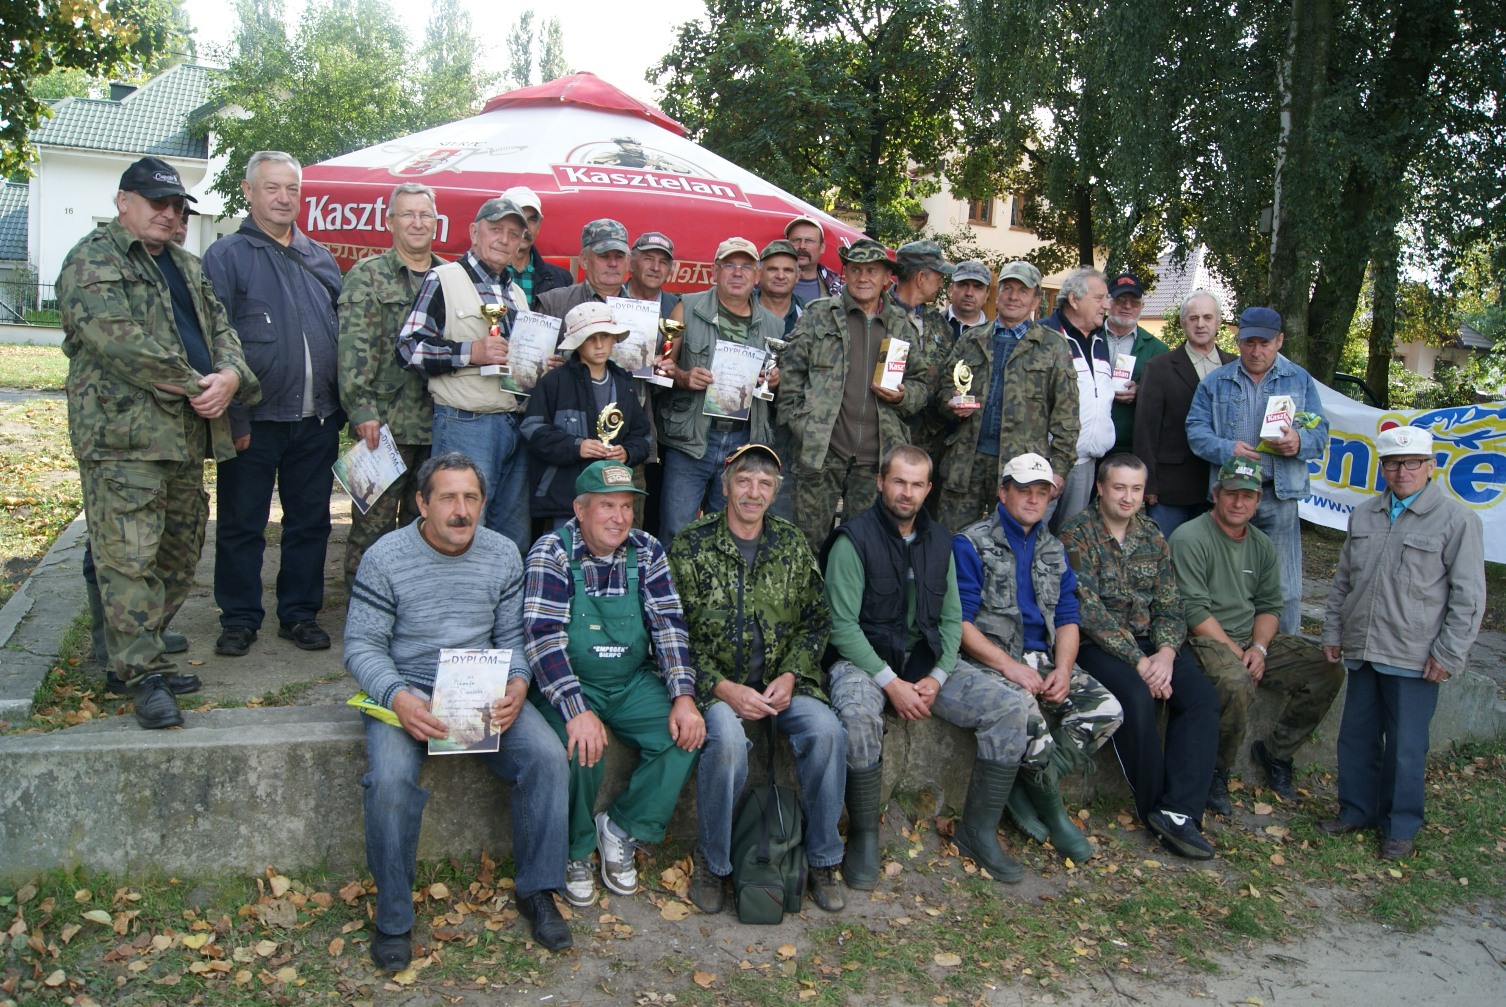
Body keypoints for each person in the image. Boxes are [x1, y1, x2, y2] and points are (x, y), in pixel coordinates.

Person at [344, 453, 572, 966]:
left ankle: (538, 891)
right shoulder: (385, 556)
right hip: (408, 692)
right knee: (388, 781)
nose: (460, 510)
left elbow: (515, 636)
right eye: (447, 497)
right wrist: (398, 697)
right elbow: (361, 646)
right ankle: (394, 919)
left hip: (483, 686)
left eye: (471, 498)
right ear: (422, 502)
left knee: (546, 757)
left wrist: (517, 680)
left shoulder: (502, 554)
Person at [58, 156, 260, 726]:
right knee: (128, 558)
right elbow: (119, 343)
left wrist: (231, 377)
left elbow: (225, 332)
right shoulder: (91, 261)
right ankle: (141, 675)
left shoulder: (187, 267)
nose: (169, 215)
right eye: (157, 204)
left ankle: (141, 653)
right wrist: (205, 383)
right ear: (124, 201)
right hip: (123, 442)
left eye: (177, 207)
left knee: (177, 552)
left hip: (183, 437)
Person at [824, 445, 1035, 886]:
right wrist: (892, 684)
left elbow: (953, 618)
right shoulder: (853, 540)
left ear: (928, 489)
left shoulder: (942, 541)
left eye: (917, 484)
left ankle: (978, 831)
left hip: (926, 662)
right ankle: (863, 836)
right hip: (865, 662)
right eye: (899, 481)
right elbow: (841, 627)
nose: (907, 492)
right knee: (858, 717)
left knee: (1010, 706)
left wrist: (937, 677)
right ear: (881, 482)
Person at [667, 444, 846, 913]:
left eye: (764, 484)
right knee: (725, 741)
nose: (753, 492)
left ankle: (825, 859)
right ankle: (713, 862)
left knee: (827, 732)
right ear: (725, 486)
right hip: (717, 690)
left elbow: (817, 621)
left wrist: (790, 675)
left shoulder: (790, 543)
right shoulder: (690, 544)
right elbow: (669, 632)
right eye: (744, 481)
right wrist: (723, 688)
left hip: (781, 688)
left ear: (775, 492)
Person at [523, 461, 705, 908]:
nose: (619, 518)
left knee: (682, 735)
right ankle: (575, 849)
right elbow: (542, 637)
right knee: (581, 746)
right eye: (607, 506)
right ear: (580, 510)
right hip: (569, 679)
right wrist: (576, 710)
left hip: (629, 681)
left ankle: (621, 827)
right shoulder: (553, 551)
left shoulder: (646, 550)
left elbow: (668, 626)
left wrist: (683, 696)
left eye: (626, 506)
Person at [1318, 427, 1485, 859]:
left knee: (1407, 747)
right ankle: (1356, 810)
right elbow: (1342, 582)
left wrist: (1448, 653)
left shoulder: (1456, 520)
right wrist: (1334, 632)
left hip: (1415, 654)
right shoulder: (1366, 514)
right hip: (1363, 647)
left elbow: (1469, 597)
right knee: (1355, 738)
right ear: (1383, 468)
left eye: (1412, 463)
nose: (1402, 471)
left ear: (1430, 467)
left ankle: (1400, 826)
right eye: (1393, 463)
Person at [952, 452, 1124, 865]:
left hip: (1041, 656)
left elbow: (1067, 616)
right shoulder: (971, 542)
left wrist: (1063, 669)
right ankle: (1056, 812)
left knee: (1107, 709)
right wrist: (1009, 667)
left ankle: (1026, 782)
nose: (1033, 500)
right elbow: (958, 624)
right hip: (990, 659)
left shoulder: (1053, 546)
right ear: (1003, 491)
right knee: (1024, 709)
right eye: (1024, 490)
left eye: (1041, 492)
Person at [203, 151, 342, 657]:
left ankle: (299, 614)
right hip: (255, 421)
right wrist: (233, 415)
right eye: (272, 188)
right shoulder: (227, 256)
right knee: (243, 522)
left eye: (292, 189)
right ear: (248, 191)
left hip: (317, 419)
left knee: (310, 521)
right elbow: (213, 340)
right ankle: (239, 618)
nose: (284, 198)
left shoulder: (318, 256)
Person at [1058, 454, 1220, 859]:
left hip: (1154, 644)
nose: (1127, 497)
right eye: (1119, 487)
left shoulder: (1153, 535)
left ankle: (1180, 812)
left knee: (1202, 699)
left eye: (1135, 489)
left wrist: (1165, 653)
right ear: (1100, 488)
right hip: (1100, 646)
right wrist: (1139, 661)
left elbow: (1170, 602)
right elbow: (1087, 608)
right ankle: (1154, 807)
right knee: (1135, 697)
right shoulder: (1076, 534)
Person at [1169, 458, 1345, 814]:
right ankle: (1216, 771)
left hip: (1250, 638)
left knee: (1326, 669)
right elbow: (1193, 611)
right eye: (1231, 494)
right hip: (1203, 638)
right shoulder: (1189, 537)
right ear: (1216, 494)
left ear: (1257, 501)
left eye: (1247, 496)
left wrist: (1260, 649)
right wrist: (1240, 653)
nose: (1239, 503)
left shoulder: (1262, 545)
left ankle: (1276, 753)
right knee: (1235, 683)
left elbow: (1269, 606)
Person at [778, 238, 933, 553]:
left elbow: (921, 383)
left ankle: (850, 602)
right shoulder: (819, 314)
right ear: (845, 273)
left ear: (885, 278)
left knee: (861, 547)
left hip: (875, 460)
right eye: (856, 269)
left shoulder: (901, 325)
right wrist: (799, 424)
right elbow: (791, 371)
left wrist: (903, 396)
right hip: (821, 452)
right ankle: (809, 602)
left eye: (872, 271)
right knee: (806, 543)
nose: (864, 277)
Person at [395, 196, 532, 555]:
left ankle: (501, 611)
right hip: (465, 424)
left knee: (510, 538)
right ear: (474, 232)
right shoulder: (443, 278)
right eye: (496, 229)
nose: (505, 239)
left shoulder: (516, 293)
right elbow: (408, 347)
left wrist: (539, 364)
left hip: (514, 424)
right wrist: (470, 352)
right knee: (462, 530)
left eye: (514, 234)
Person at [1186, 306, 1329, 634]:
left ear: (1279, 341)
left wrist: (1298, 442)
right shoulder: (1216, 381)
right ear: (1237, 342)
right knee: (1228, 581)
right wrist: (1227, 449)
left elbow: (1321, 434)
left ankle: (1281, 653)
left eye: (1264, 343)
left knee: (1283, 585)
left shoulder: (1299, 380)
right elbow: (1195, 430)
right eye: (1249, 342)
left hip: (1277, 493)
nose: (1256, 350)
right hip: (1230, 496)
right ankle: (1229, 653)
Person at [337, 182, 444, 588]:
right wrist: (361, 410)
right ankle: (362, 608)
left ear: (436, 223)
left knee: (424, 527)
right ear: (390, 221)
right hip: (382, 426)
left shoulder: (448, 277)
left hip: (437, 425)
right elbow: (351, 351)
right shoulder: (367, 275)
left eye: (425, 215)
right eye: (408, 214)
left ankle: (411, 610)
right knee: (371, 527)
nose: (417, 223)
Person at [656, 237, 783, 547]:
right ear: (715, 271)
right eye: (729, 265)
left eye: (745, 267)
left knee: (729, 532)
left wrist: (774, 380)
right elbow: (661, 369)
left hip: (742, 441)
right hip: (691, 440)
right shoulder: (687, 306)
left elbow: (777, 384)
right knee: (676, 529)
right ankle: (670, 593)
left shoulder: (774, 326)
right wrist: (684, 377)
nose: (737, 273)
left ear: (757, 275)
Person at [934, 261, 1078, 533]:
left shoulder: (1053, 347)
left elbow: (1067, 417)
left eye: (1023, 291)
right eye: (1007, 289)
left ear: (1036, 299)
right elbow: (943, 389)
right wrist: (949, 403)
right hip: (965, 463)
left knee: (1011, 546)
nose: (1013, 297)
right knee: (952, 542)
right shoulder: (972, 339)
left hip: (1020, 470)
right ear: (996, 295)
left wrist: (1058, 470)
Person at [521, 302, 651, 529]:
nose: (599, 345)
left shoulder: (624, 384)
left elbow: (642, 436)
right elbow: (532, 430)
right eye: (590, 338)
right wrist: (575, 446)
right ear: (577, 343)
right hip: (565, 497)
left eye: (605, 336)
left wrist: (627, 452)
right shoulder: (555, 381)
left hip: (611, 495)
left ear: (614, 339)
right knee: (565, 555)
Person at [1134, 290, 1234, 538]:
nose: (1201, 324)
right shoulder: (1159, 367)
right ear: (1182, 323)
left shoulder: (1234, 367)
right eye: (1193, 318)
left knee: (1207, 561)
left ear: (1219, 321)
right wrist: (1149, 482)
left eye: (1208, 317)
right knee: (1166, 556)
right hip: (1171, 487)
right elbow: (1145, 428)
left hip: (1220, 482)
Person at [1037, 268, 1114, 531]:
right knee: (1031, 534)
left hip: (1084, 465)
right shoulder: (1043, 337)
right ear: (1074, 300)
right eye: (1100, 297)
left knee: (1070, 541)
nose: (1106, 305)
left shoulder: (1099, 341)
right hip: (1045, 460)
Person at [1102, 272, 1169, 457]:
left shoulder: (1158, 350)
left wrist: (1141, 392)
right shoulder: (1087, 335)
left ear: (1142, 306)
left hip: (1127, 447)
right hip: (1084, 442)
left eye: (1135, 301)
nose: (1127, 306)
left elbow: (1165, 399)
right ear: (1108, 302)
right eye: (1120, 299)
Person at [536, 219, 632, 323]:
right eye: (604, 256)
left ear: (628, 262)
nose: (613, 263)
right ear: (584, 260)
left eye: (619, 257)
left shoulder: (644, 311)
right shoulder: (553, 304)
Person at [500, 186, 572, 310]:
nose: (525, 227)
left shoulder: (561, 279)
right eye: (519, 218)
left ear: (539, 225)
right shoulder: (484, 273)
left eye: (532, 220)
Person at [785, 214, 842, 303]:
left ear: (822, 247)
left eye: (809, 241)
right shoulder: (766, 283)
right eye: (796, 240)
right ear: (786, 244)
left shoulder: (840, 288)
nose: (802, 246)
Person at [753, 239, 804, 335]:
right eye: (772, 269)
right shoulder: (742, 306)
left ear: (797, 276)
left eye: (788, 270)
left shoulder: (809, 313)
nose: (780, 276)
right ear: (759, 274)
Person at [624, 231, 680, 317]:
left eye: (663, 262)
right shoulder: (610, 297)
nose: (656, 268)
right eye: (648, 259)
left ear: (669, 272)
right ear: (631, 264)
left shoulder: (678, 307)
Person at [945, 260, 991, 342]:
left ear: (987, 294)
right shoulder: (930, 325)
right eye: (963, 285)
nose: (969, 293)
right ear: (951, 289)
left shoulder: (994, 335)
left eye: (977, 287)